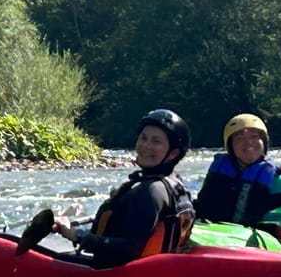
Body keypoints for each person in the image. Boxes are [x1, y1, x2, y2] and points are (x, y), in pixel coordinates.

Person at [49, 109, 196, 268]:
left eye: (156, 141)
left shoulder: (151, 191)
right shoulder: (174, 183)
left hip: (117, 276)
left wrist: (77, 236)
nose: (146, 145)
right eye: (143, 138)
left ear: (173, 153)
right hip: (153, 272)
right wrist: (71, 227)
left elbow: (129, 249)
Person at [194, 113, 281, 240]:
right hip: (212, 236)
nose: (248, 143)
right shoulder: (218, 175)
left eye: (254, 136)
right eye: (240, 138)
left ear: (264, 143)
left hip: (259, 244)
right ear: (230, 146)